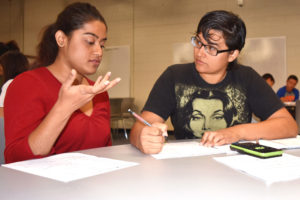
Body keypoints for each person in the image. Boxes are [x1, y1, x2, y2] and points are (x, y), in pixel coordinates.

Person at [129, 10, 298, 154]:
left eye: (211, 48)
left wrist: (236, 132)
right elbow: (140, 126)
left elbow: (289, 126)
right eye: (198, 42)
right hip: (185, 167)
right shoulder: (174, 76)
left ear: (232, 54)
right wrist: (142, 137)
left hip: (236, 167)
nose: (200, 53)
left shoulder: (247, 78)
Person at [4, 2, 121, 163]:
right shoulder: (27, 85)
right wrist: (63, 108)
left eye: (102, 45)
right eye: (89, 41)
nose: (99, 52)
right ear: (61, 39)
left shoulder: (98, 91)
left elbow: (105, 151)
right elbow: (16, 158)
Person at [0, 51, 29, 117]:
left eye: (1, 64)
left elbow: (2, 112)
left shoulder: (10, 84)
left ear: (9, 66)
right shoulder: (27, 82)